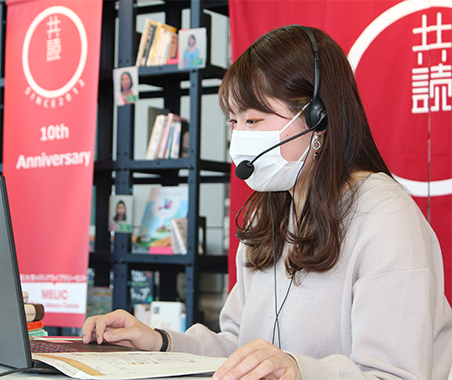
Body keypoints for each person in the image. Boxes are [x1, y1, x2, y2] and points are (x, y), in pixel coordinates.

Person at [82, 25, 452, 379]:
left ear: (316, 118)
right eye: (234, 122)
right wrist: (158, 341)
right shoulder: (267, 213)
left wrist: (297, 369)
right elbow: (238, 349)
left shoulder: (385, 216)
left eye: (254, 120)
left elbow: (396, 375)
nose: (240, 137)